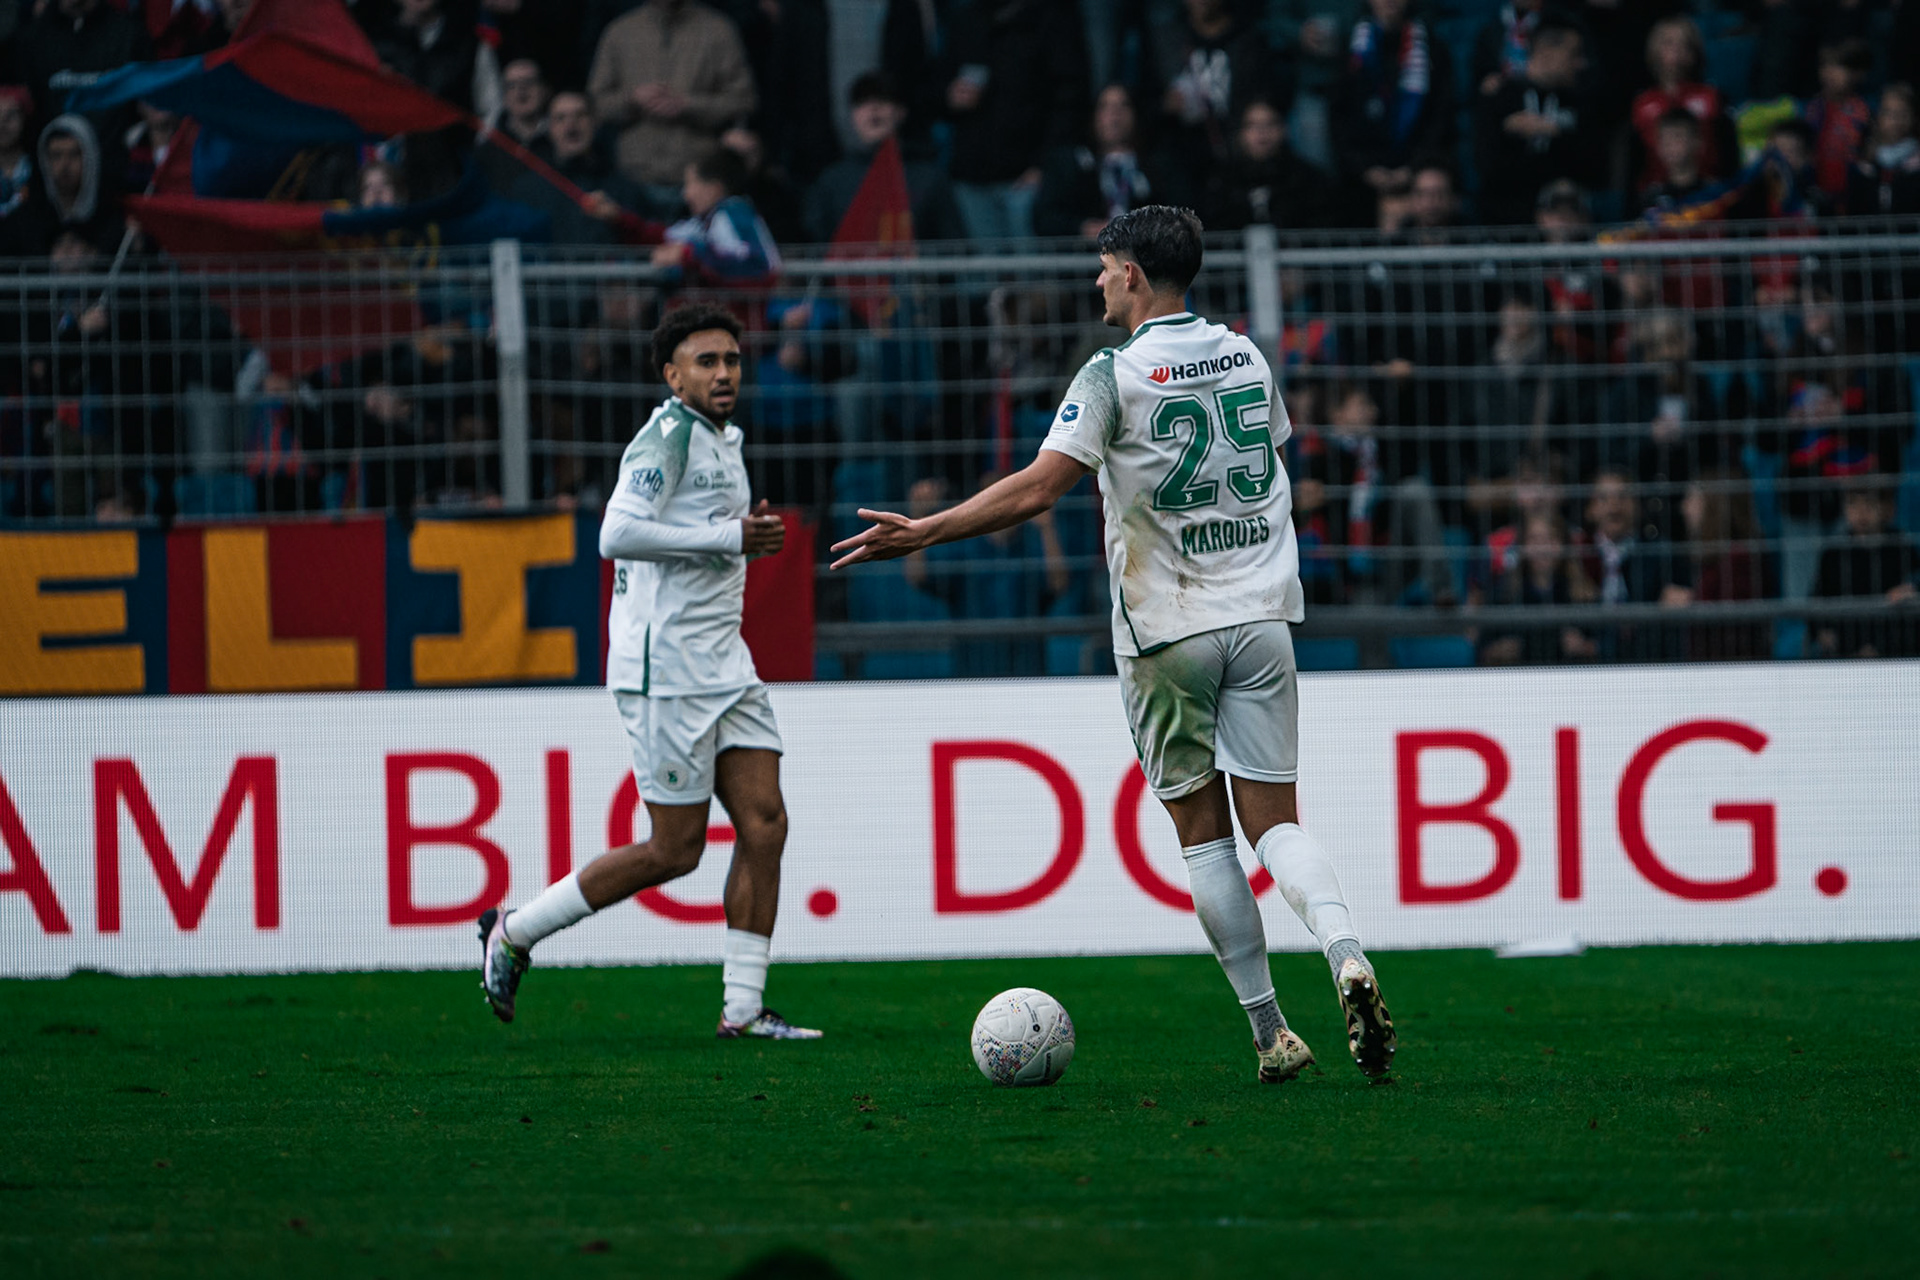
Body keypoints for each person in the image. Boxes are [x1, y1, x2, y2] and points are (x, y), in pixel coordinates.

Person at [831, 206, 1395, 1084]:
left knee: (1205, 838)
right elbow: (1274, 460)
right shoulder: (1246, 354)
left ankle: (1271, 1034)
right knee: (1276, 822)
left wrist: (926, 530)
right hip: (1265, 617)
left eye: (1104, 268)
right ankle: (1346, 950)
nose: (1096, 281)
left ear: (1132, 274)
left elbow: (1037, 490)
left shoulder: (1112, 374)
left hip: (1168, 629)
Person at [479, 302, 821, 1042]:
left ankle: (743, 1010)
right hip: (663, 670)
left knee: (765, 824)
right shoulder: (666, 434)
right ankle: (514, 931)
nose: (724, 372)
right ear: (673, 375)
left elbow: (697, 536)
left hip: (724, 662)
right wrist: (730, 535)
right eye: (706, 362)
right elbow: (615, 533)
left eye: (731, 360)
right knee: (675, 850)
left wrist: (739, 535)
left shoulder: (721, 438)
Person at [587, 0, 756, 219]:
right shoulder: (620, 32)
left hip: (699, 181)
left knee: (694, 253)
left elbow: (744, 99)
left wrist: (688, 105)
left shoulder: (717, 30)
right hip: (633, 179)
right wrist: (632, 99)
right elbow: (595, 102)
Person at [1329, 0, 1457, 227]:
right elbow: (1339, 118)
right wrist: (1364, 169)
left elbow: (1441, 116)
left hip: (1416, 168)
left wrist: (1412, 168)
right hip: (1359, 176)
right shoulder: (1350, 49)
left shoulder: (1433, 49)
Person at [802, 70, 965, 243]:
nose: (873, 108)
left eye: (883, 99)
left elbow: (954, 246)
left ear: (901, 112)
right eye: (862, 102)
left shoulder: (930, 178)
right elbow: (814, 244)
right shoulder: (831, 180)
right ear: (852, 116)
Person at [1472, 20, 1597, 225]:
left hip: (1565, 226)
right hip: (1506, 225)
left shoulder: (1579, 103)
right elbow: (1489, 169)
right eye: (1573, 54)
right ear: (1547, 53)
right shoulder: (1499, 98)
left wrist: (1552, 131)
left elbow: (1593, 168)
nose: (1580, 63)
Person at [1035, 84, 1185, 239]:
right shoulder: (1072, 166)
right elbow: (1046, 218)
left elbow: (1179, 213)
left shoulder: (1158, 165)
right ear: (1094, 116)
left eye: (1123, 105)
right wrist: (1084, 228)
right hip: (1087, 257)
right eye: (1105, 107)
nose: (1115, 114)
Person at [652, 148, 781, 287]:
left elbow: (749, 262)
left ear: (714, 189)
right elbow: (668, 236)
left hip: (762, 306)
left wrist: (688, 253)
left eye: (690, 183)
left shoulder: (732, 213)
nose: (685, 195)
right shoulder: (705, 220)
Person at [1203, 96, 1332, 231]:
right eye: (1252, 125)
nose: (1261, 132)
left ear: (1283, 129)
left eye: (1270, 124)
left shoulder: (1310, 181)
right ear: (1241, 133)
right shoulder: (1220, 183)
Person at [1805, 38, 1872, 205]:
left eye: (1838, 66)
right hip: (1816, 196)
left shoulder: (1864, 112)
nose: (1829, 73)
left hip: (1853, 197)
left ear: (1857, 74)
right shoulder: (1811, 109)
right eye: (1825, 66)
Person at [1847, 83, 1920, 217]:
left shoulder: (1916, 166)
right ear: (1878, 117)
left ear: (1914, 117)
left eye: (1903, 113)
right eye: (1888, 112)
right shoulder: (1864, 167)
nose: (1896, 120)